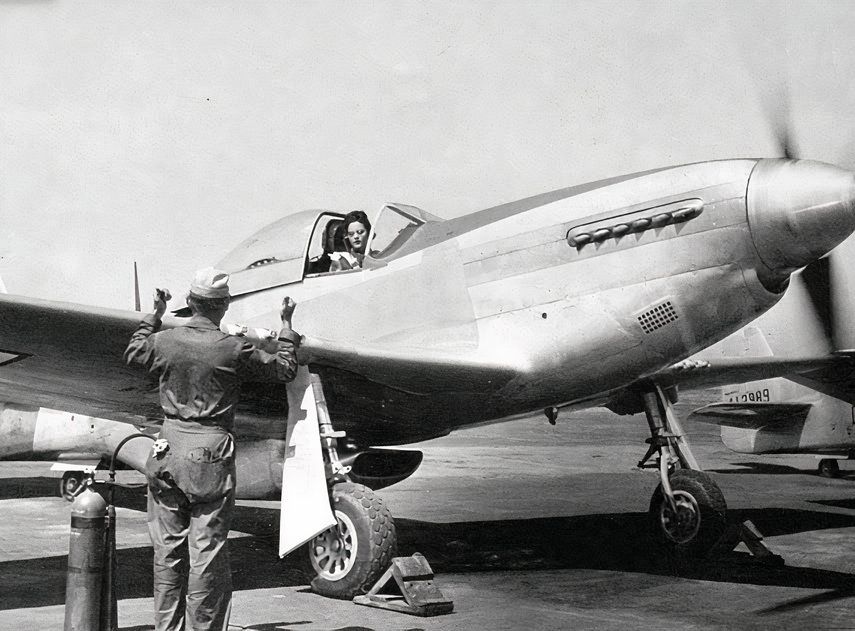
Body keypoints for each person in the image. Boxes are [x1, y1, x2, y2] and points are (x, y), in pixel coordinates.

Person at [123, 267, 300, 631]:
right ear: (224, 306)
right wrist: (286, 325)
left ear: (189, 303)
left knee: (167, 554)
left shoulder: (165, 341)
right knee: (206, 555)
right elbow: (285, 369)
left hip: (166, 450)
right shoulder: (233, 347)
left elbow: (134, 353)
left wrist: (155, 314)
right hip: (211, 456)